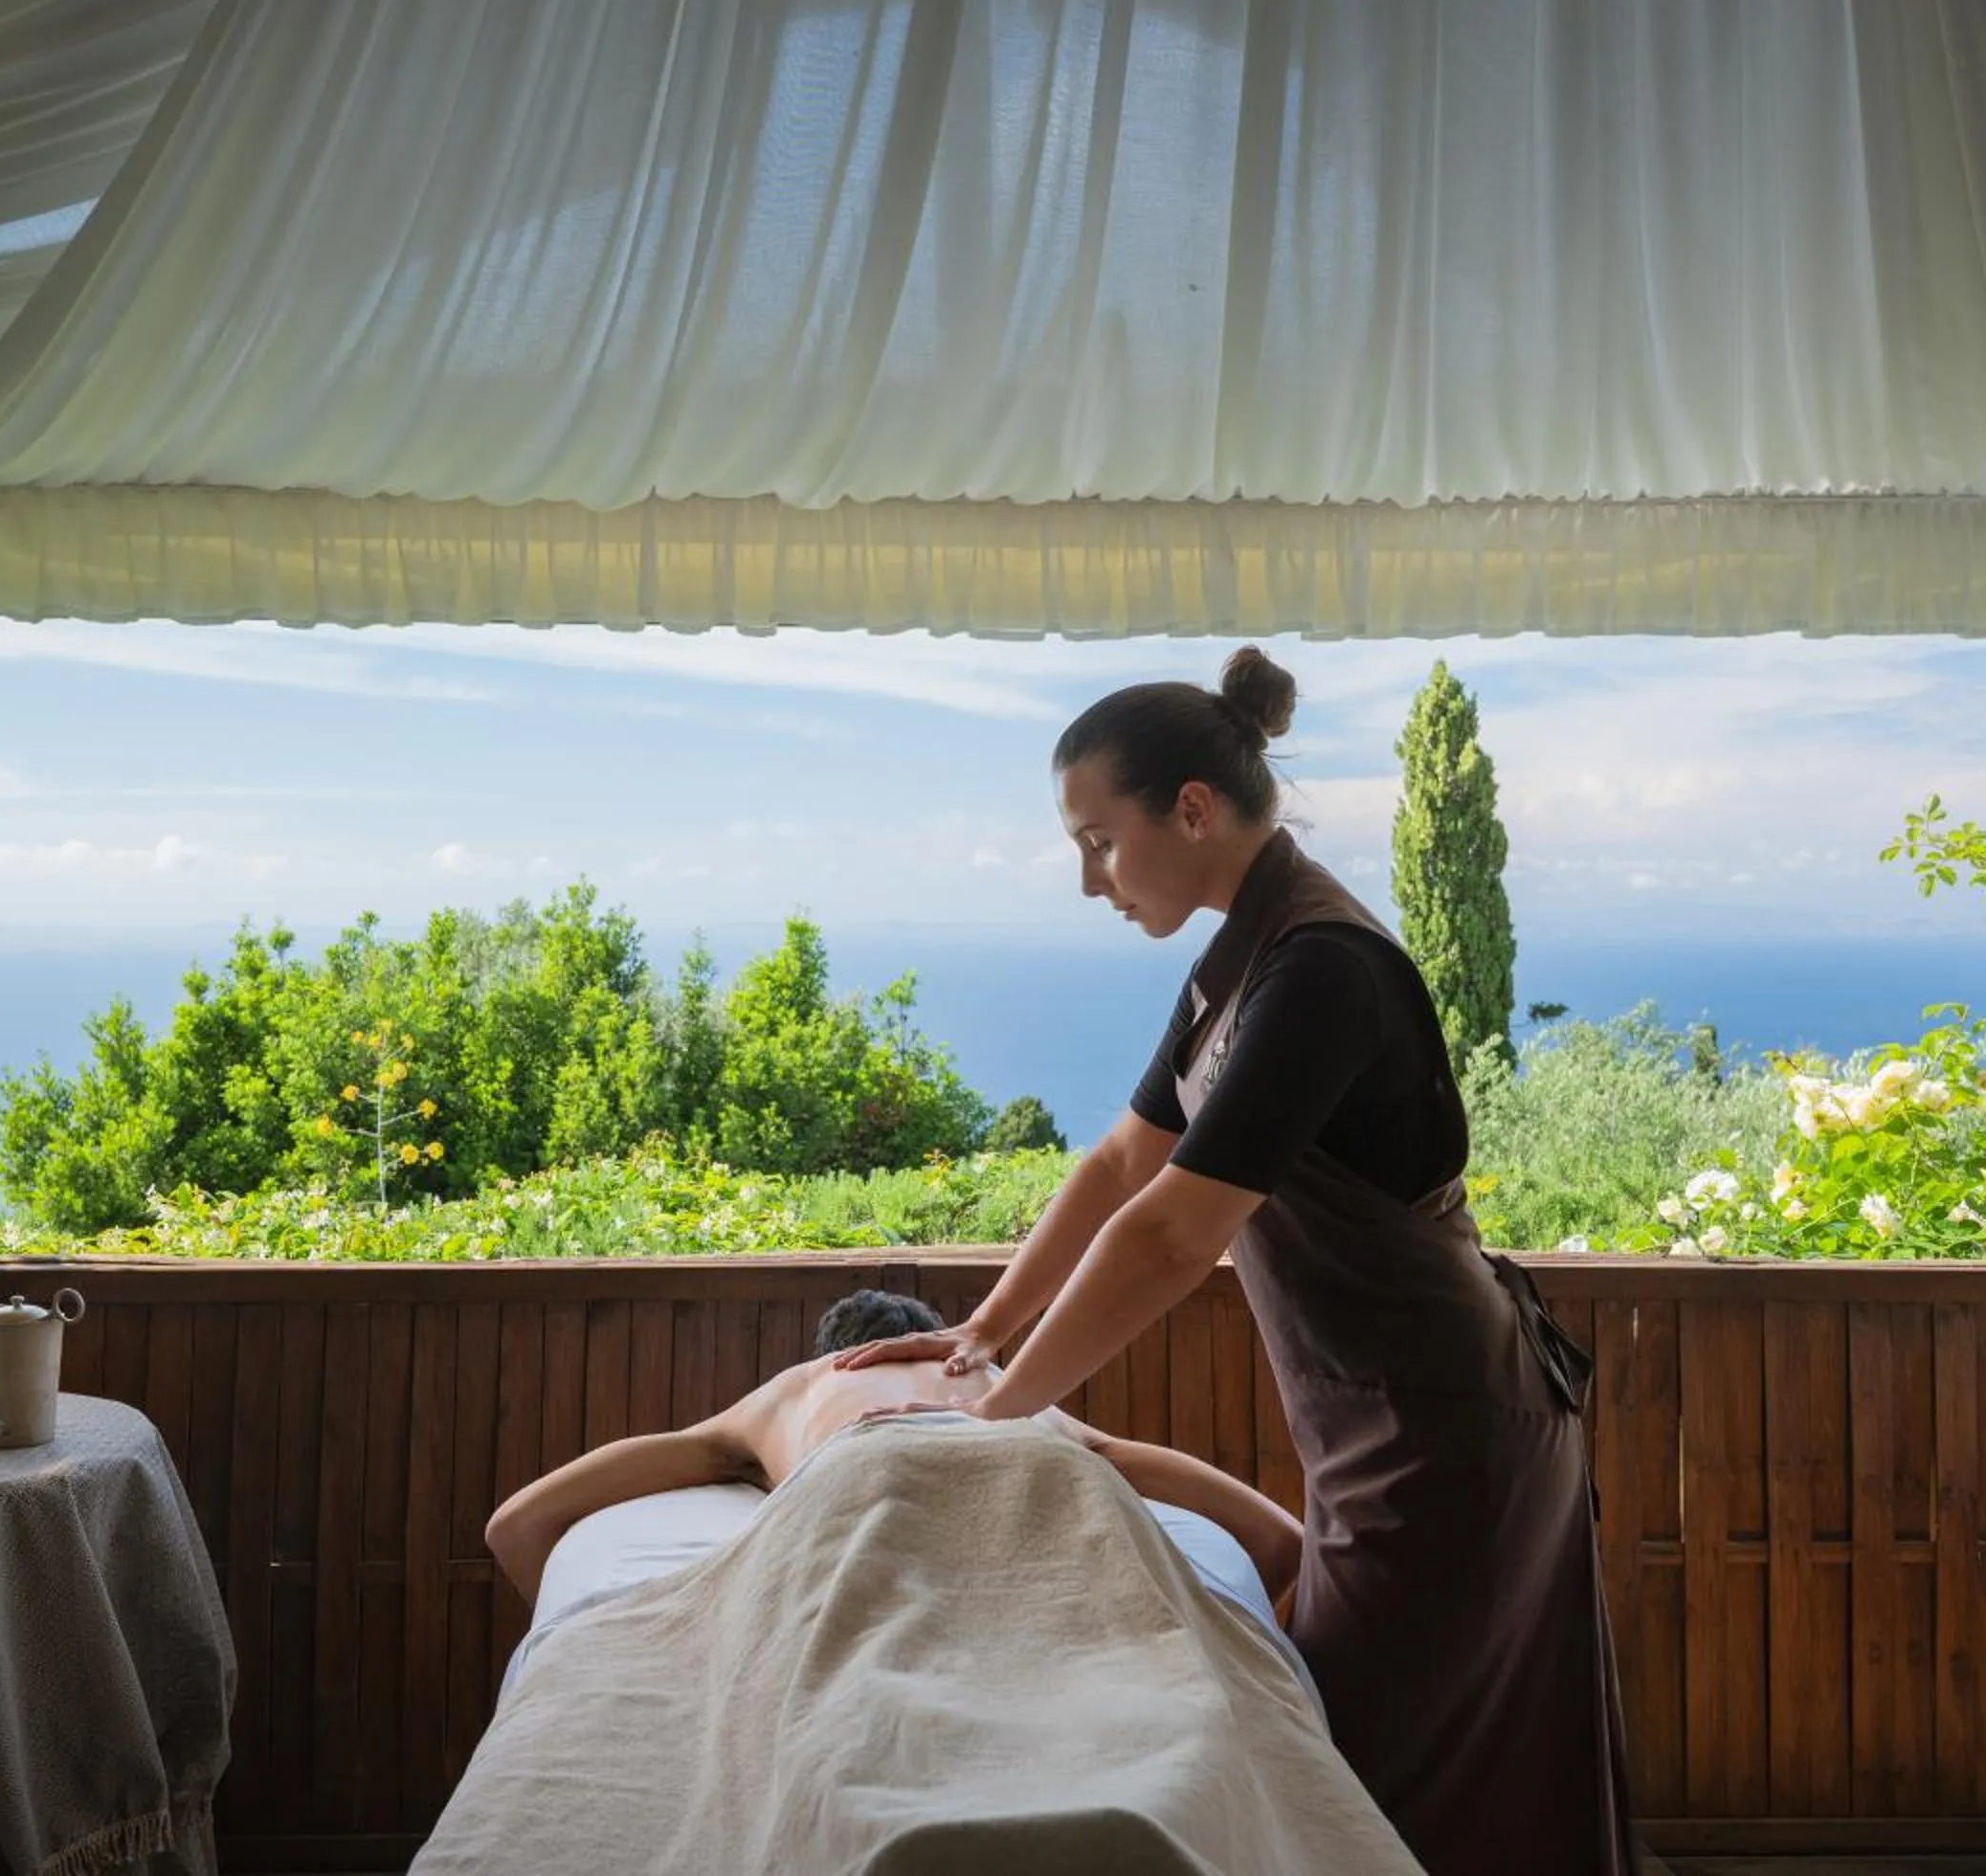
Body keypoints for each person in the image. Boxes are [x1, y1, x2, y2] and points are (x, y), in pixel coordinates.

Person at [835, 646, 1642, 1876]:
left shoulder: (1319, 967)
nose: (1088, 879)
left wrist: (999, 1418)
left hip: (1450, 1431)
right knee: (1368, 1771)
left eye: (1099, 839)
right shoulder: (1241, 963)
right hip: (1378, 1422)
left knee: (1381, 1780)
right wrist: (982, 1329)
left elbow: (1170, 1233)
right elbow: (1121, 1161)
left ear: (1193, 810)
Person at [482, 1287, 1302, 1609]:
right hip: (1033, 1480)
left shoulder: (803, 1386)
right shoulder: (999, 1386)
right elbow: (1278, 1540)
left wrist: (575, 1630)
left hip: (867, 1471)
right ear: (938, 1341)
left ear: (835, 1353)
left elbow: (518, 1523)